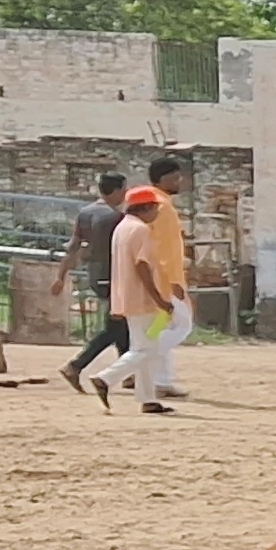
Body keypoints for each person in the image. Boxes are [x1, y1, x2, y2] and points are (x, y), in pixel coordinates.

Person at [85, 160, 190, 415]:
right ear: (146, 208)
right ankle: (106, 378)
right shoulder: (141, 231)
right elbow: (143, 267)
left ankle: (147, 398)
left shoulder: (122, 228)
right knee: (146, 349)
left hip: (128, 298)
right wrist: (158, 298)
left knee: (146, 346)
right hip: (145, 300)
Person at [58, 168, 127, 398]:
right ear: (116, 191)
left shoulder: (85, 213)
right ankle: (76, 365)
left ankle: (128, 372)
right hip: (114, 274)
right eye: (124, 190)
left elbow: (73, 247)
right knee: (114, 327)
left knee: (121, 326)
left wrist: (61, 276)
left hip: (95, 274)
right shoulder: (115, 217)